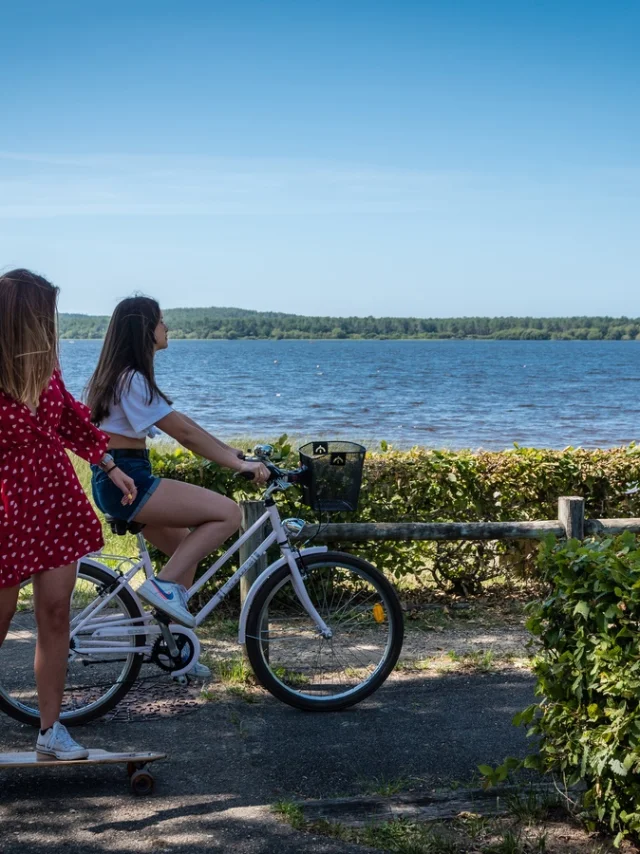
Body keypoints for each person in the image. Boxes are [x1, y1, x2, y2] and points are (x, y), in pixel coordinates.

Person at [85, 296, 269, 677]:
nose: (166, 328)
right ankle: (162, 587)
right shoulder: (131, 378)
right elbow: (182, 433)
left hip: (119, 477)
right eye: (161, 321)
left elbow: (182, 421)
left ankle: (179, 655)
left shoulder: (123, 375)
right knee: (228, 513)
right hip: (129, 477)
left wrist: (231, 451)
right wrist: (237, 464)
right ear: (144, 329)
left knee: (186, 548)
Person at [0, 269, 137, 760]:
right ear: (23, 315)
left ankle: (50, 731)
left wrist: (109, 464)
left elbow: (72, 422)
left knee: (56, 614)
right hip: (5, 504)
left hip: (53, 498)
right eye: (45, 312)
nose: (51, 322)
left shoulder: (46, 366)